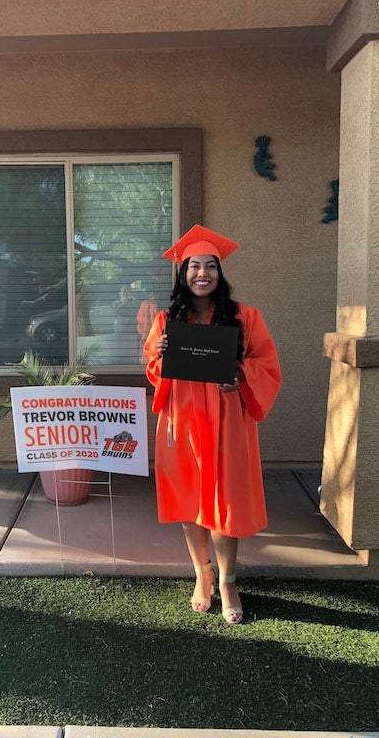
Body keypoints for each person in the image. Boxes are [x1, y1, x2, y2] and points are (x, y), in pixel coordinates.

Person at [143, 225, 281, 624]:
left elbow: (266, 365)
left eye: (210, 267)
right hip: (182, 419)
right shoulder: (167, 319)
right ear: (183, 273)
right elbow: (153, 370)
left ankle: (228, 580)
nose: (202, 274)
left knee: (227, 501)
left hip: (227, 420)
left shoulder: (245, 317)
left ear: (220, 274)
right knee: (189, 498)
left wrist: (238, 376)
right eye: (194, 267)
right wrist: (162, 357)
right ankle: (202, 574)